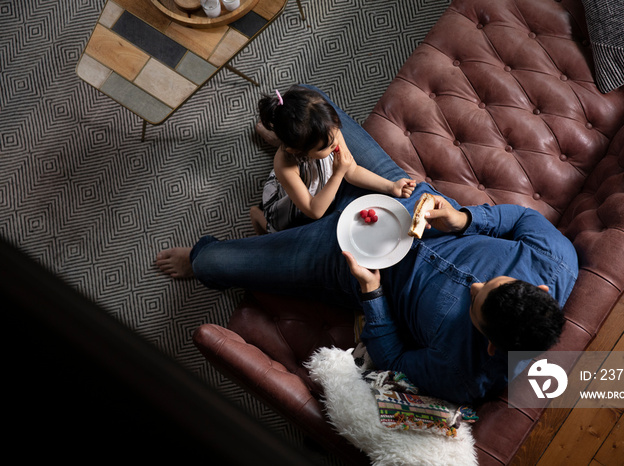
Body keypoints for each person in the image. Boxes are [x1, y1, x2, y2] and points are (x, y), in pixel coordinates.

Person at [156, 85, 578, 405]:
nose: (474, 286)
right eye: (490, 282)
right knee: (309, 103)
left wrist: (372, 293)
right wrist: (463, 218)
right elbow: (524, 218)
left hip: (358, 261)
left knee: (215, 262)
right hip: (406, 201)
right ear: (537, 288)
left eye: (476, 302)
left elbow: (394, 360)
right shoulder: (557, 263)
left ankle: (205, 256)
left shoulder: (466, 373)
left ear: (490, 344)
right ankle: (294, 151)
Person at [250, 85, 415, 234]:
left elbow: (352, 170)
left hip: (324, 183)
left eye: (337, 133)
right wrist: (337, 174)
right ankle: (258, 215)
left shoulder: (328, 132)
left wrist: (391, 186)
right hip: (296, 204)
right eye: (326, 147)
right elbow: (314, 211)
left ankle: (270, 133)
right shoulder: (285, 166)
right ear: (297, 151)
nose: (336, 144)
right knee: (278, 230)